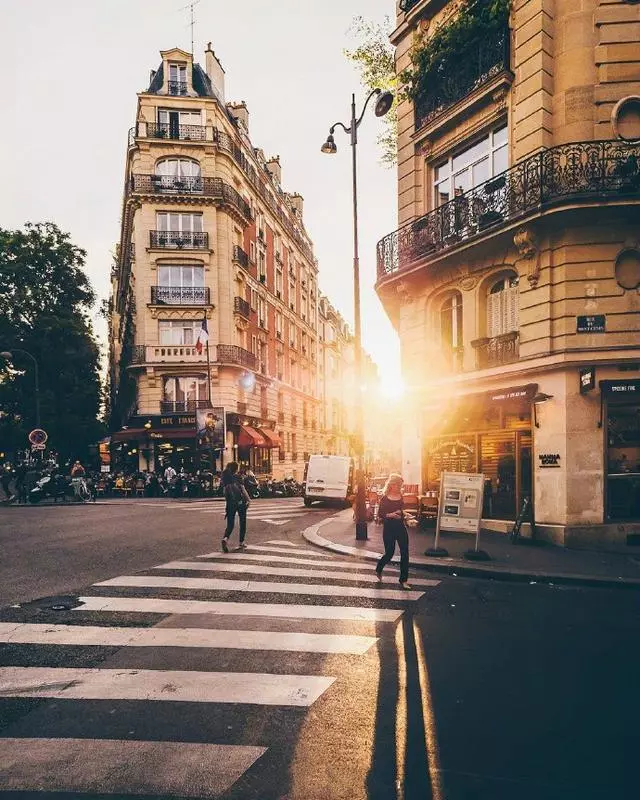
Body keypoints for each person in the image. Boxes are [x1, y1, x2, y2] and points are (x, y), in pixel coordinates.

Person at [375, 473, 412, 589]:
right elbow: (380, 515)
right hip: (389, 528)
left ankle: (403, 580)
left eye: (400, 485)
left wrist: (405, 515)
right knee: (389, 553)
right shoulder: (384, 499)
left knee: (405, 553)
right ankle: (379, 568)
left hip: (400, 527)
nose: (399, 487)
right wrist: (391, 515)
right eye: (398, 485)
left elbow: (401, 511)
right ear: (392, 485)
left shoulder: (401, 497)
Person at [221, 461, 251, 553]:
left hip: (230, 503)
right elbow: (243, 489)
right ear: (236, 469)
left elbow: (225, 493)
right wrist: (249, 499)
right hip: (240, 502)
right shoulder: (238, 477)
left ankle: (225, 538)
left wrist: (228, 502)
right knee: (243, 522)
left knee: (230, 524)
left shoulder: (226, 478)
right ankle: (241, 542)